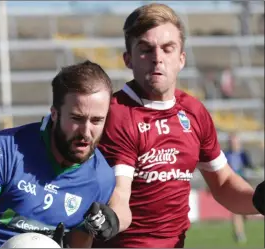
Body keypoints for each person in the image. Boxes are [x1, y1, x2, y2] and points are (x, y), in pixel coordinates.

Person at [84, 3, 263, 248]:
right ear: (128, 59)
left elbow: (223, 185)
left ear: (181, 59)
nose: (158, 58)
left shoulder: (194, 112)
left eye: (168, 49)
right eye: (146, 49)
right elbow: (120, 197)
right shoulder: (115, 113)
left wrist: (259, 199)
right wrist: (111, 219)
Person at [0, 60, 115, 248]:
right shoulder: (2, 150)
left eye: (97, 120)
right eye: (76, 118)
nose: (86, 131)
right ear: (55, 114)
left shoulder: (101, 178)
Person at [225, 133, 254, 244]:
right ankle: (239, 234)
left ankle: (240, 229)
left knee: (246, 213)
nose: (234, 144)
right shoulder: (225, 155)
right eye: (232, 142)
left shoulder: (244, 155)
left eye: (235, 142)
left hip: (244, 185)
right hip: (232, 185)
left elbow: (250, 168)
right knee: (236, 210)